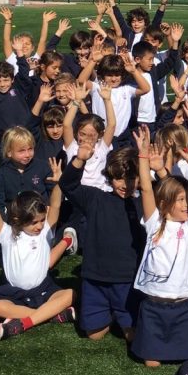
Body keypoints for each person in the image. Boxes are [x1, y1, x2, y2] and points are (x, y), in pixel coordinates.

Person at [0, 165, 76, 340]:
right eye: (34, 222)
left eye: (42, 220)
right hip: (15, 293)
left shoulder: (46, 231)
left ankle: (23, 322)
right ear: (17, 220)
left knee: (71, 294)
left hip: (44, 289)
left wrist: (59, 184)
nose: (39, 226)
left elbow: (56, 205)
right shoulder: (7, 234)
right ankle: (49, 315)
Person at [132, 125, 188, 368]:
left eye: (187, 200)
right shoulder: (154, 223)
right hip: (154, 306)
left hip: (184, 305)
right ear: (164, 203)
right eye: (180, 200)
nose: (186, 205)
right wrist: (143, 156)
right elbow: (146, 188)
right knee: (151, 363)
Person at [60, 141, 145, 342]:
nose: (124, 184)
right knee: (94, 335)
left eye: (130, 178)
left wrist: (157, 169)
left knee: (132, 336)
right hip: (95, 279)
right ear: (109, 177)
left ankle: (121, 313)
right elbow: (67, 185)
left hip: (127, 280)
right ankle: (109, 313)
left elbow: (167, 192)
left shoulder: (143, 203)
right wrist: (80, 159)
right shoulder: (95, 199)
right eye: (118, 178)